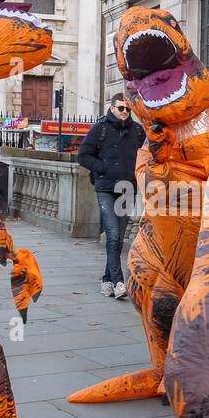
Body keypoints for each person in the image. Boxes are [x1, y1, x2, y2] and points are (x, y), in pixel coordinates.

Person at [77, 92, 145, 298]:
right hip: (105, 187)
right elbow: (83, 156)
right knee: (113, 235)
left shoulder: (138, 131)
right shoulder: (100, 128)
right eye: (121, 108)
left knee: (118, 236)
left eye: (128, 109)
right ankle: (118, 281)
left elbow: (146, 156)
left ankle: (107, 279)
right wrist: (104, 168)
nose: (125, 112)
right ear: (112, 108)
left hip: (127, 188)